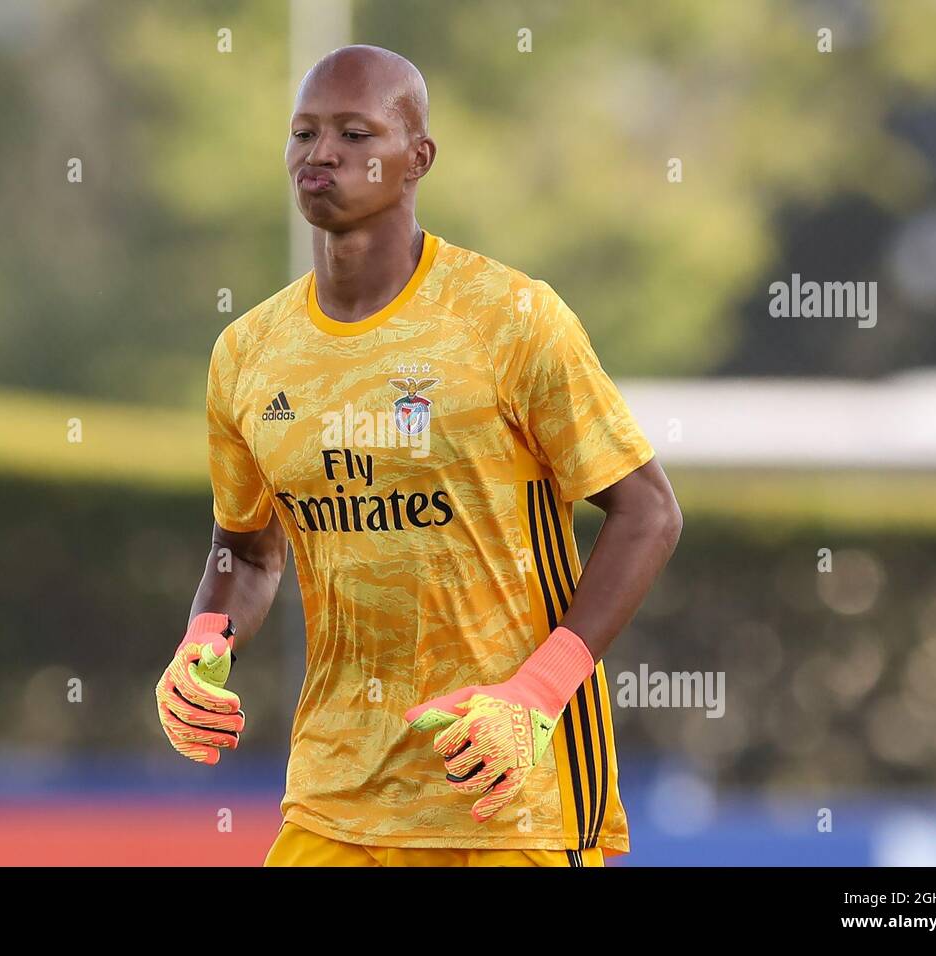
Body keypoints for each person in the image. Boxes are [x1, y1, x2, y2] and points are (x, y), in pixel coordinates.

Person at [156, 44, 682, 867]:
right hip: (334, 798)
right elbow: (248, 551)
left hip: (506, 798)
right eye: (304, 133)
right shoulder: (247, 352)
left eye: (355, 133)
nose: (321, 153)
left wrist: (536, 697)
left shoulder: (511, 317)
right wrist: (202, 638)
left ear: (417, 159)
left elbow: (648, 511)